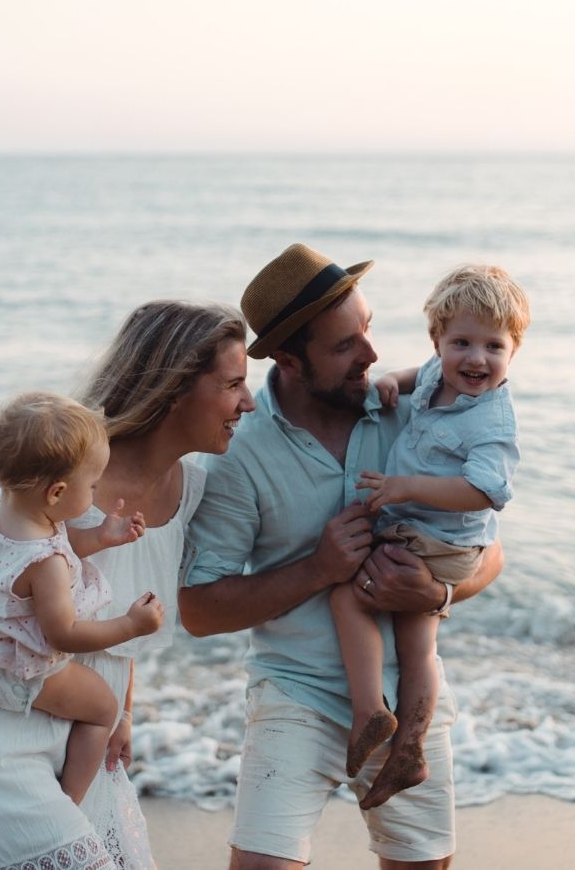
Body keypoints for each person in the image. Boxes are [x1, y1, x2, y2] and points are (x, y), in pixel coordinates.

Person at [178, 243, 504, 870]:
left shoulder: (414, 413)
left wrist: (434, 595)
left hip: (410, 696)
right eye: (345, 346)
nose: (373, 355)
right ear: (290, 361)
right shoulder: (238, 450)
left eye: (369, 328)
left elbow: (489, 553)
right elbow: (198, 610)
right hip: (294, 695)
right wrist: (317, 570)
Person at [0, 300, 254, 869]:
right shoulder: (63, 468)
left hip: (90, 742)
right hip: (5, 730)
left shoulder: (190, 492)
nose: (247, 402)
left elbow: (118, 627)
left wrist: (123, 712)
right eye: (233, 384)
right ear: (177, 389)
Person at [330, 264, 530, 811]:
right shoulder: (439, 377)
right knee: (415, 643)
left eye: (494, 346)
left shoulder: (492, 421)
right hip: (427, 533)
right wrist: (393, 382)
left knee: (350, 595)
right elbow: (418, 375)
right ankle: (406, 749)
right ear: (437, 342)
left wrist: (403, 486)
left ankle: (373, 711)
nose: (476, 359)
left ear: (514, 350)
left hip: (442, 541)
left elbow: (486, 491)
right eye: (461, 342)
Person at [0, 392, 164, 805]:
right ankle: (73, 801)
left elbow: (54, 539)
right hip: (18, 671)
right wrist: (132, 625)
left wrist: (101, 537)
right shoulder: (47, 563)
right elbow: (64, 633)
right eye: (93, 484)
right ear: (57, 492)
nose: (96, 491)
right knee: (101, 707)